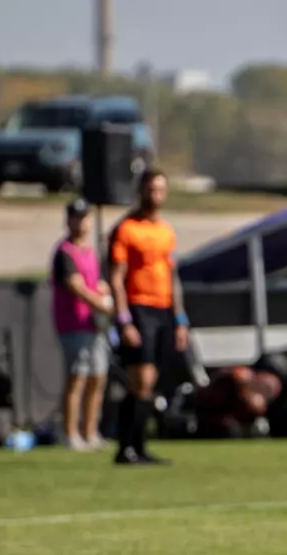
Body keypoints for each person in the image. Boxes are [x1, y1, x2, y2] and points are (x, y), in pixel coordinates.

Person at [107, 167, 185, 466]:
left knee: (150, 383)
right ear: (141, 191)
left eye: (161, 190)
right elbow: (116, 277)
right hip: (138, 308)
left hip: (162, 308)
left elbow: (172, 276)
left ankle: (136, 446)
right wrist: (123, 318)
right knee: (140, 380)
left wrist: (180, 319)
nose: (156, 195)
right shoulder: (126, 229)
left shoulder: (165, 231)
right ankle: (127, 446)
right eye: (151, 189)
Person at [51, 198, 113, 451]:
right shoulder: (64, 253)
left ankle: (91, 432)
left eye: (85, 217)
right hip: (72, 323)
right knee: (77, 377)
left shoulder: (90, 252)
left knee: (98, 377)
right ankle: (70, 434)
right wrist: (102, 304)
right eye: (76, 217)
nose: (81, 222)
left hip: (94, 325)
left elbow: (95, 282)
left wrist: (103, 291)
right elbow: (75, 286)